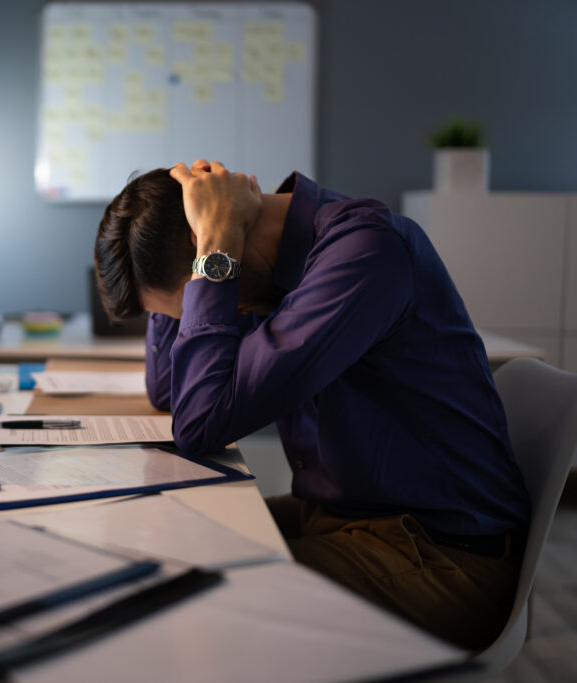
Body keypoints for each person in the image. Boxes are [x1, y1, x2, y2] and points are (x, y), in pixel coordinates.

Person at [93, 160, 531, 650]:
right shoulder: (265, 270)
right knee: (153, 546)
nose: (219, 307)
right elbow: (170, 389)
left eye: (208, 293)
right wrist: (195, 241)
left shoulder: (365, 253)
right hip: (342, 518)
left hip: (440, 558)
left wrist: (212, 248)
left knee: (186, 602)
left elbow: (200, 423)